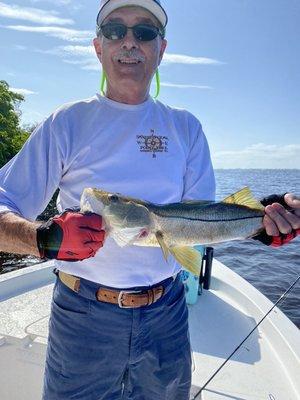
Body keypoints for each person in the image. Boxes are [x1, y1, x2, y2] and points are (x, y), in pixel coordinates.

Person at [0, 1, 299, 399]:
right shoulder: (66, 122)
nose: (129, 42)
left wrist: (262, 223)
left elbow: (199, 221)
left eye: (144, 32)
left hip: (167, 313)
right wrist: (42, 238)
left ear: (161, 48)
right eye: (114, 30)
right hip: (82, 317)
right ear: (97, 46)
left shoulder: (186, 127)